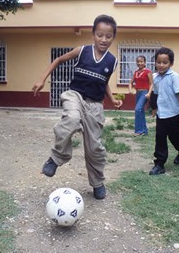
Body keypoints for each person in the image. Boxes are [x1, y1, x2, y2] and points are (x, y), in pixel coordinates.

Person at [32, 14, 122, 199]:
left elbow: (103, 82)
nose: (103, 39)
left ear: (113, 37)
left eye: (108, 36)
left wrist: (111, 99)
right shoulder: (82, 51)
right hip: (75, 96)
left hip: (95, 106)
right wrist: (42, 79)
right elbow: (58, 60)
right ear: (93, 34)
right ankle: (56, 158)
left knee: (94, 148)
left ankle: (97, 183)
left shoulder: (112, 61)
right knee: (71, 120)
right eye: (99, 35)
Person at [149, 47, 179, 176]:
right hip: (161, 114)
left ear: (171, 63)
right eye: (158, 62)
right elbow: (155, 94)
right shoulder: (154, 77)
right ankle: (159, 164)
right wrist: (154, 108)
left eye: (165, 62)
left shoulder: (174, 77)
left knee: (175, 136)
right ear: (155, 62)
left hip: (174, 114)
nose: (161, 65)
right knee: (160, 138)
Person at [128, 55, 153, 136]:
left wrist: (149, 93)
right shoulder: (136, 72)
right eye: (138, 61)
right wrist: (130, 90)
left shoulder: (148, 71)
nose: (139, 63)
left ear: (145, 62)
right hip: (138, 93)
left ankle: (139, 131)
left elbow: (152, 83)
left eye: (141, 61)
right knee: (141, 111)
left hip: (145, 93)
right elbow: (131, 82)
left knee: (138, 109)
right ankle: (144, 130)